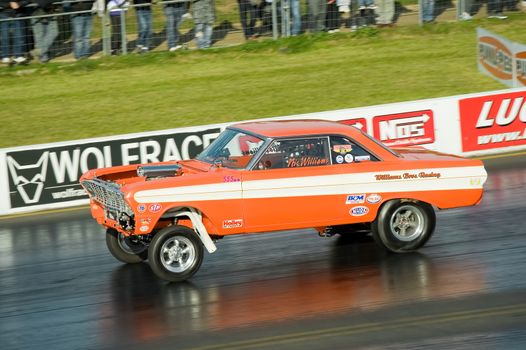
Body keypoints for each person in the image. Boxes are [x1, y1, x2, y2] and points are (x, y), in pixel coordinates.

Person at [0, 0, 29, 64]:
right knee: (4, 36)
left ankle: (18, 56)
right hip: (3, 14)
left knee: (19, 36)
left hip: (18, 14)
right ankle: (5, 56)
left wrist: (19, 4)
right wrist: (9, 4)